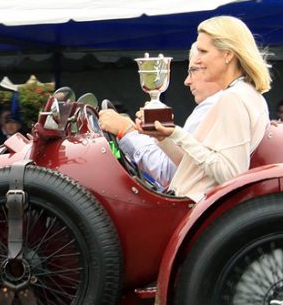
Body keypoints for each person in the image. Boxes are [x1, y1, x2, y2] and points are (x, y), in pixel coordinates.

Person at [100, 17, 271, 200]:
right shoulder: (246, 93)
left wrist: (176, 134)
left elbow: (230, 174)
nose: (197, 59)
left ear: (228, 55)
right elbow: (192, 165)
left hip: (195, 204)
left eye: (203, 51)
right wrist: (164, 137)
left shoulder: (233, 98)